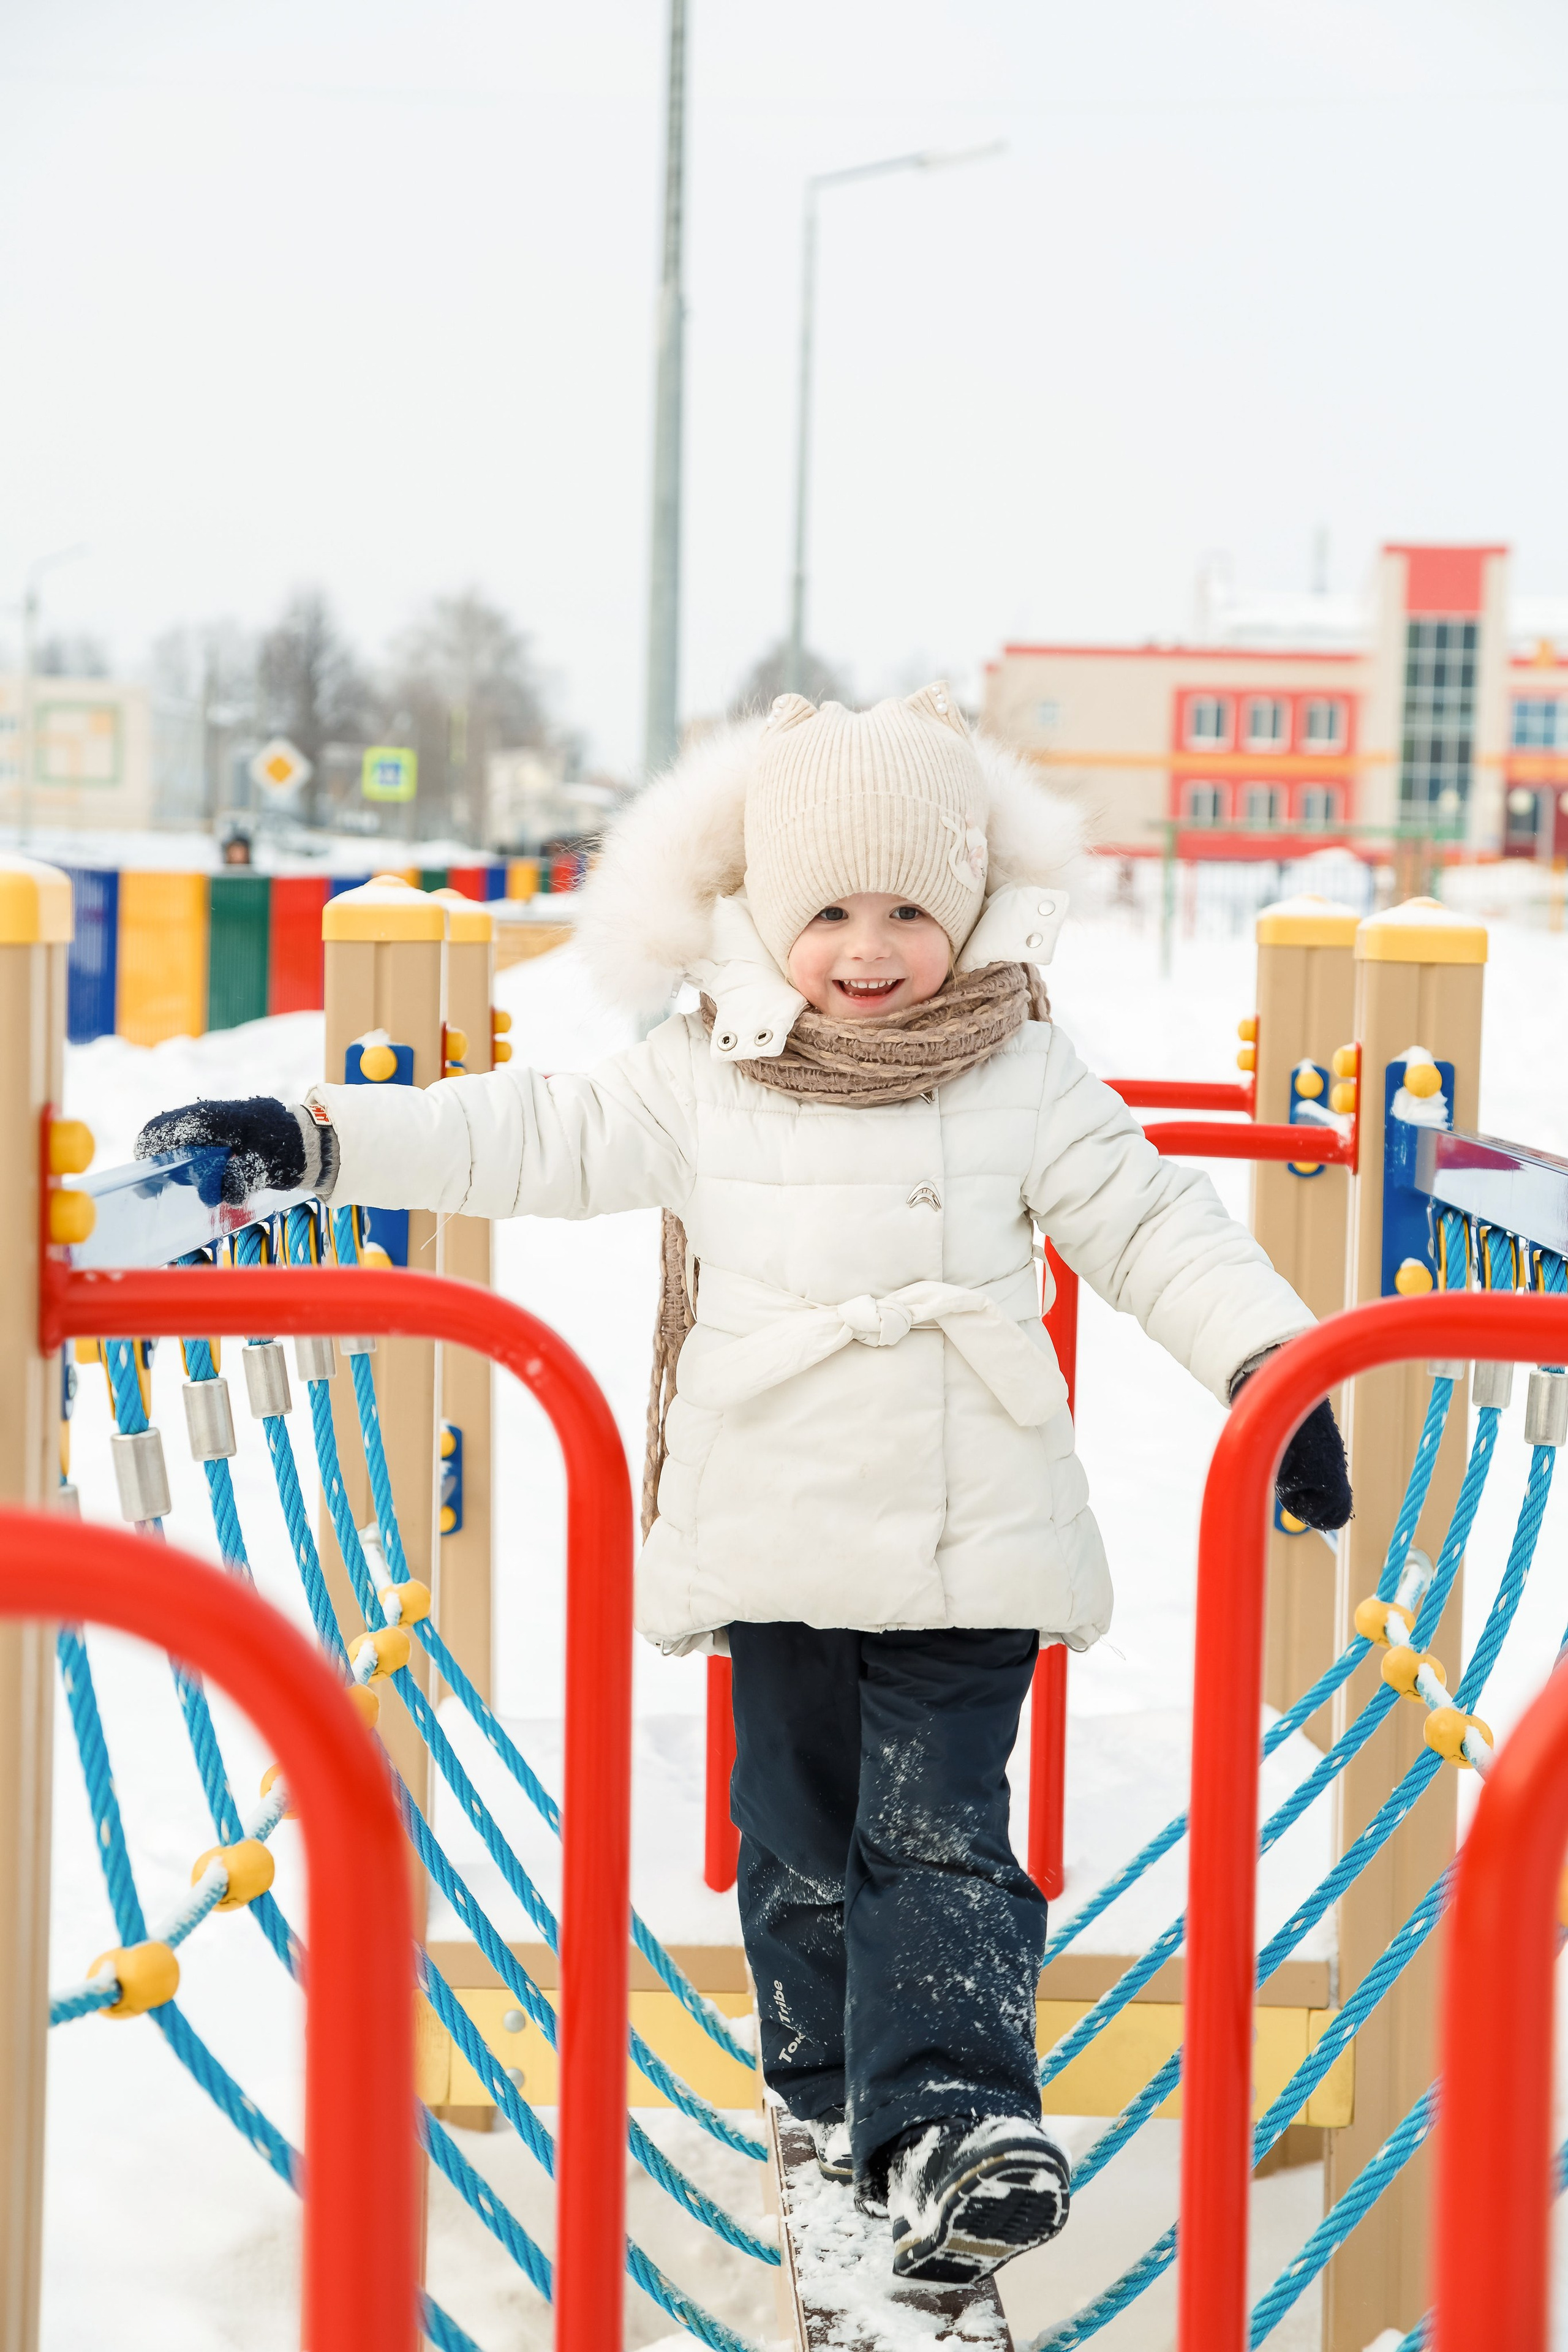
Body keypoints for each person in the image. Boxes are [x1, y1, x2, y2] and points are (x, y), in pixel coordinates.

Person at [137, 685, 1351, 2286]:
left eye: (909, 908)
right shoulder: (703, 1069)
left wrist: (1273, 1365)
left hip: (972, 1526)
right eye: (829, 911)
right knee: (796, 1836)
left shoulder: (1024, 1070)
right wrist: (314, 1140)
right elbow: (518, 1135)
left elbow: (1153, 1225)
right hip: (777, 1528)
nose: (869, 948)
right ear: (767, 915)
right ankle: (825, 2099)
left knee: (940, 1834)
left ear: (971, 907)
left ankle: (953, 2126)